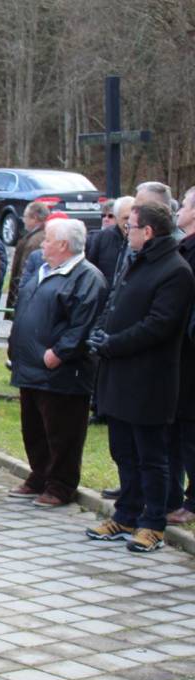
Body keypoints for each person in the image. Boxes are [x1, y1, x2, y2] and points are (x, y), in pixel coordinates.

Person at [84, 201, 195, 553]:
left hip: (150, 381)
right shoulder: (136, 261)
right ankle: (126, 514)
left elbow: (159, 325)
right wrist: (100, 332)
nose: (125, 232)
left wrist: (114, 343)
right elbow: (115, 302)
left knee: (151, 456)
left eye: (130, 227)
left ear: (147, 231)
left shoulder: (176, 270)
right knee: (123, 451)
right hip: (119, 375)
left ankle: (153, 523)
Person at [6, 218, 106, 507]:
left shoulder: (87, 277)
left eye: (48, 239)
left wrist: (59, 353)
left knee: (63, 432)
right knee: (34, 428)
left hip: (61, 372)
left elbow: (84, 324)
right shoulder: (43, 270)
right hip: (31, 368)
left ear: (63, 245)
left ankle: (61, 485)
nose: (43, 244)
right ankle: (39, 475)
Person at [168, 186, 195, 524]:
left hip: (189, 356)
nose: (179, 210)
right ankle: (173, 494)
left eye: (184, 205)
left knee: (190, 430)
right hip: (177, 357)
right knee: (176, 429)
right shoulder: (183, 247)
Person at [4, 201, 50, 316]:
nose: (23, 220)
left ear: (34, 218)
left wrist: (18, 301)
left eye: (25, 216)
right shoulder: (37, 237)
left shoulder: (35, 242)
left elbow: (24, 273)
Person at [87, 196, 133, 286]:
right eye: (126, 218)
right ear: (117, 218)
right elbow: (92, 269)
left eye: (132, 218)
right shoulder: (102, 238)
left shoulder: (144, 238)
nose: (130, 222)